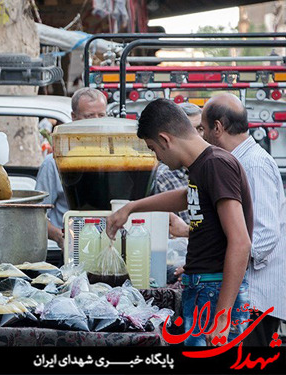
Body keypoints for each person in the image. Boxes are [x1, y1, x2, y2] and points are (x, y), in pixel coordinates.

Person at [105, 98, 253, 347]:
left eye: (153, 148)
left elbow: (240, 242)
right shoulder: (202, 166)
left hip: (214, 290)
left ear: (165, 139)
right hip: (203, 288)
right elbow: (188, 196)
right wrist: (132, 207)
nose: (157, 157)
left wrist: (223, 316)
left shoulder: (216, 164)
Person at [198, 93, 285, 347]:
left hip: (255, 299)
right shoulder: (239, 161)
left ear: (217, 128)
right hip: (249, 298)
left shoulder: (253, 165)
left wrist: (229, 257)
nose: (202, 136)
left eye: (203, 128)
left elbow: (265, 234)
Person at [35, 88, 107, 251]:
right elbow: (37, 216)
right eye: (89, 116)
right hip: (71, 249)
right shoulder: (54, 163)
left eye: (101, 115)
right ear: (73, 118)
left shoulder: (117, 158)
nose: (97, 122)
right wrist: (59, 236)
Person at [153, 102, 203, 224]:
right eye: (190, 130)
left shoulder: (212, 167)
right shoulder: (164, 177)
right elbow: (170, 231)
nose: (197, 136)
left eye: (200, 129)